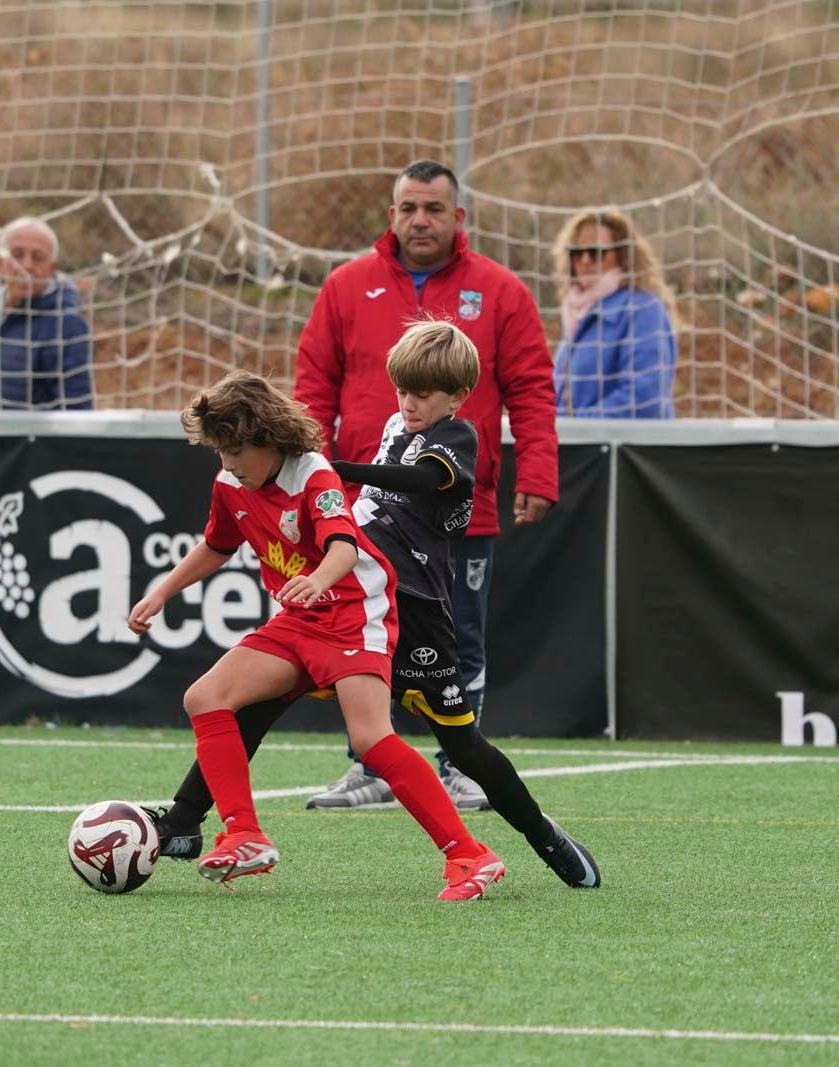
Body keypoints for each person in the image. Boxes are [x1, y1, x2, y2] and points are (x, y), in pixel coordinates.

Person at [147, 321, 600, 890]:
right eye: (402, 391)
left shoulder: (459, 435)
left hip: (412, 609)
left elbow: (421, 479)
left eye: (424, 394)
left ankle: (542, 836)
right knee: (247, 705)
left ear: (457, 397)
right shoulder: (391, 425)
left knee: (463, 745)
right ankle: (193, 822)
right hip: (347, 592)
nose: (409, 404)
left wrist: (333, 470)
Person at [128, 370, 506, 901]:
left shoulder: (314, 476)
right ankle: (244, 835)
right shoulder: (231, 483)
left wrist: (317, 580)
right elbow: (217, 545)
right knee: (205, 697)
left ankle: (470, 856)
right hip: (300, 619)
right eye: (220, 451)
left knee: (371, 740)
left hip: (354, 611)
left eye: (235, 450)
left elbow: (344, 549)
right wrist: (162, 593)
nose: (228, 463)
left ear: (269, 440)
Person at [293, 159, 560, 810]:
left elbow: (530, 388)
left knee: (459, 631)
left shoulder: (501, 291)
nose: (420, 219)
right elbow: (312, 388)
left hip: (457, 514)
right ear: (391, 215)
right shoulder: (346, 286)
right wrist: (309, 478)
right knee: (366, 633)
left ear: (457, 217)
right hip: (365, 516)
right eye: (409, 207)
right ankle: (371, 762)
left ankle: (458, 759)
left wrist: (539, 471)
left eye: (434, 209)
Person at [0, 216, 94, 410]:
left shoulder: (65, 325)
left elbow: (77, 410)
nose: (26, 265)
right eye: (17, 254)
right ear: (0, 264)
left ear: (52, 268)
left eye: (38, 257)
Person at [550, 208, 679, 418]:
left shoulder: (643, 310)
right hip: (574, 447)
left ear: (622, 256)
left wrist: (574, 431)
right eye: (576, 253)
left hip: (622, 449)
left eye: (596, 252)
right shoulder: (576, 318)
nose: (584, 260)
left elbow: (645, 399)